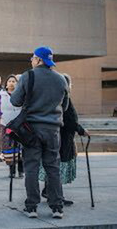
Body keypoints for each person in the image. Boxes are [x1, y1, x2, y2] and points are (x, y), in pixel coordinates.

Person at [11, 46, 69, 219]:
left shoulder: (29, 75)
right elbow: (64, 106)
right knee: (53, 168)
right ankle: (57, 207)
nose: (31, 60)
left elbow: (15, 101)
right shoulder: (61, 79)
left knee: (31, 167)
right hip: (53, 130)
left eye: (33, 58)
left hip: (32, 130)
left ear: (39, 60)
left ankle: (32, 207)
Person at [39, 73, 89, 206]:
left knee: (54, 165)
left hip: (57, 136)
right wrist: (81, 130)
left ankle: (48, 191)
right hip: (62, 138)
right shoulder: (64, 98)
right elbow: (69, 120)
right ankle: (55, 195)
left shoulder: (54, 98)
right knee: (58, 167)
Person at [0, 74, 23, 178]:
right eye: (9, 81)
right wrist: (2, 115)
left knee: (20, 147)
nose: (11, 83)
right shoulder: (1, 95)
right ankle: (12, 171)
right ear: (6, 84)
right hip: (6, 125)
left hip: (19, 125)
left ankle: (21, 170)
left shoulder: (21, 95)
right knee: (9, 148)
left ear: (17, 84)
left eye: (14, 81)